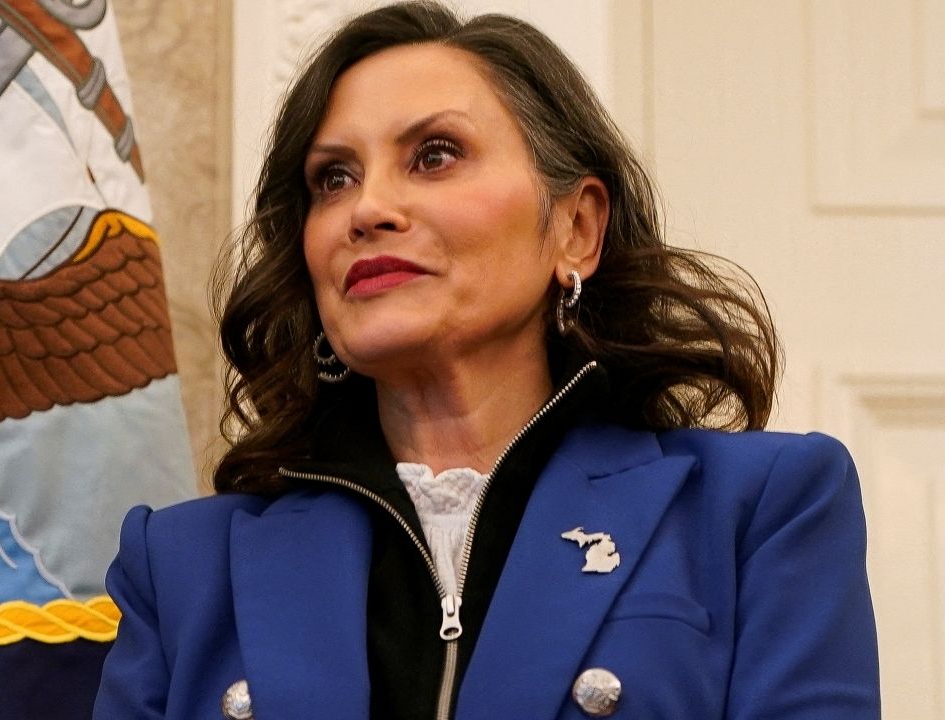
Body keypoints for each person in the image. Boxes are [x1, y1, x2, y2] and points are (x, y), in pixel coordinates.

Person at [93, 2, 880, 718]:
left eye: (434, 156)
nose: (368, 210)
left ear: (576, 228)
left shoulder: (761, 512)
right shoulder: (181, 567)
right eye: (333, 179)